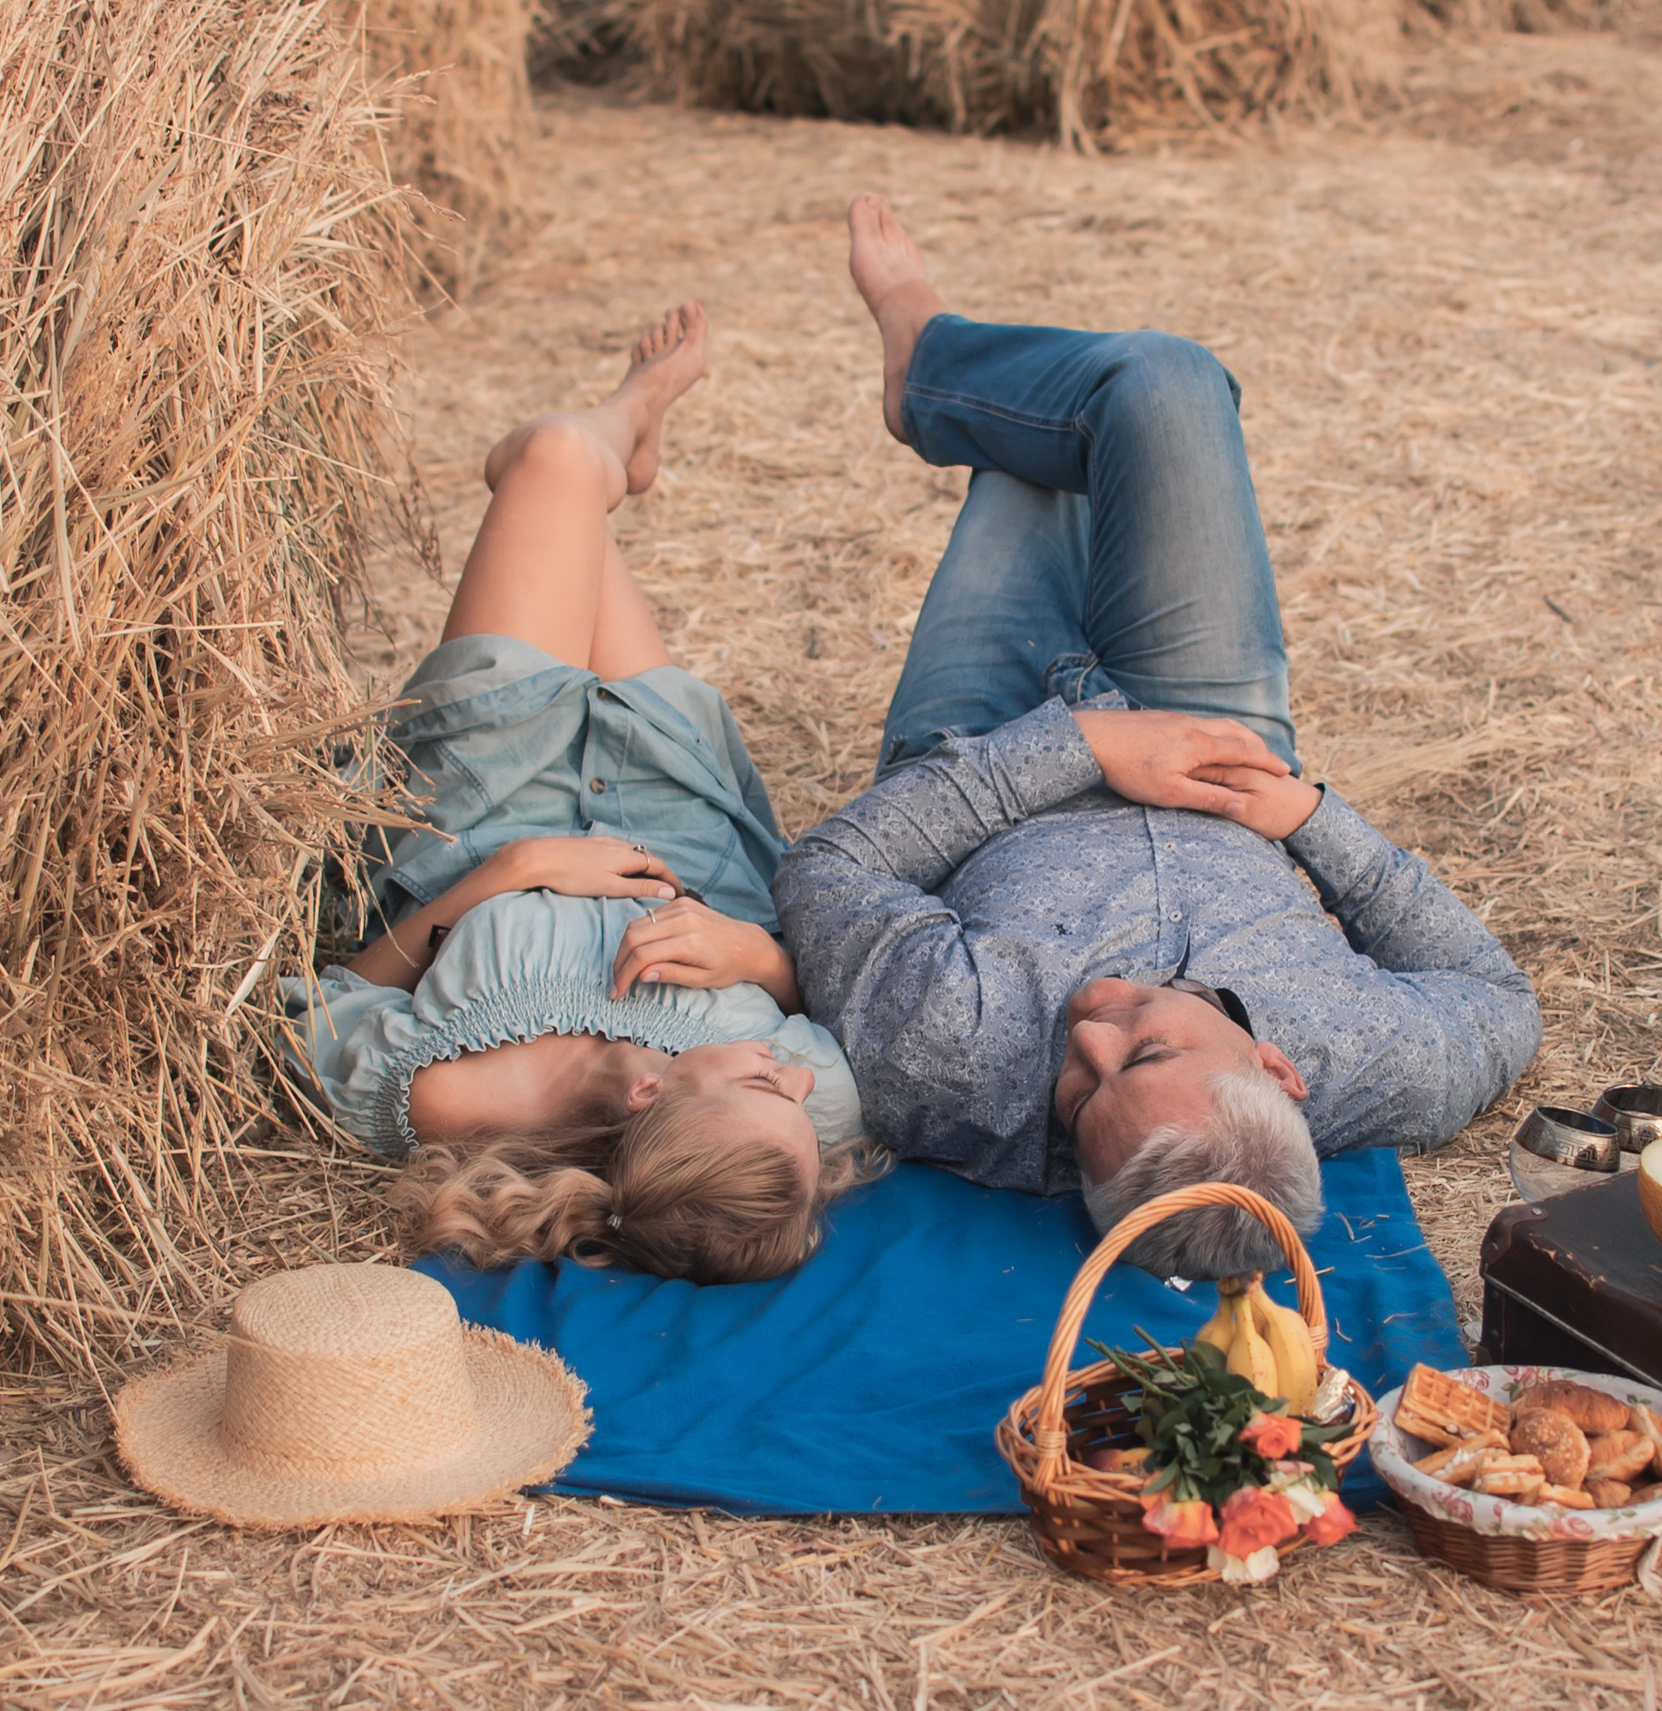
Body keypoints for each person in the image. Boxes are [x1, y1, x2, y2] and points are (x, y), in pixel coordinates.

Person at [773, 198, 1543, 1281]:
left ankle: (933, 365)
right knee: (1173, 385)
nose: (1087, 1027)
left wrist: (1082, 745)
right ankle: (929, 359)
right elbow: (1500, 1003)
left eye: (1079, 1093)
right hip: (1213, 718)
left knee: (1043, 453)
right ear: (1278, 1070)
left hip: (987, 735)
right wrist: (1315, 822)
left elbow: (825, 871)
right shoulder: (1370, 1058)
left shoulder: (949, 1057)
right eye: (1144, 1047)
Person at [284, 306, 877, 1284]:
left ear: (648, 1093)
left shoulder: (441, 1097)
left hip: (483, 797)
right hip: (675, 803)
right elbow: (840, 993)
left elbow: (330, 991)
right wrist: (759, 959)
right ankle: (623, 438)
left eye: (765, 1076)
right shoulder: (812, 1114)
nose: (799, 1071)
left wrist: (505, 876)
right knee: (564, 491)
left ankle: (621, 420)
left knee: (548, 459)